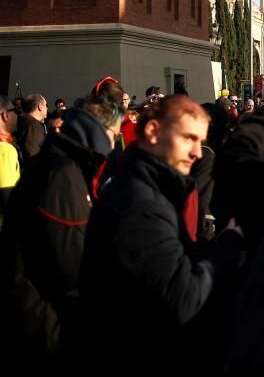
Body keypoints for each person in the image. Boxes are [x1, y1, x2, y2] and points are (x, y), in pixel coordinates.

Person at [79, 95, 246, 376]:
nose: (198, 153)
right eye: (189, 138)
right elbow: (181, 297)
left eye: (200, 140)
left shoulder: (147, 189)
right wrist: (227, 249)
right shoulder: (141, 205)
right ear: (153, 131)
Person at [0, 95, 122, 369]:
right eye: (114, 135)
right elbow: (73, 264)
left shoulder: (62, 164)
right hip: (45, 322)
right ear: (98, 135)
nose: (115, 144)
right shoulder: (64, 175)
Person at [0, 97, 20, 226]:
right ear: (5, 115)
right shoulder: (5, 150)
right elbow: (8, 199)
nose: (19, 115)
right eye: (16, 111)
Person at [16, 94, 47, 159]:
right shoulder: (34, 127)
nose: (47, 108)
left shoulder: (19, 119)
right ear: (40, 107)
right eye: (45, 105)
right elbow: (33, 154)